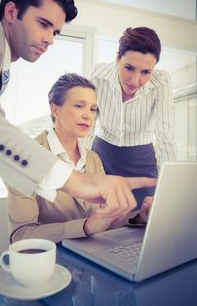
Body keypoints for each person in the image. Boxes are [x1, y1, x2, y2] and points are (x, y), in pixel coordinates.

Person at [0, 0, 155, 218]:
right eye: (43, 24)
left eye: (55, 31)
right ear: (11, 12)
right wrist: (74, 181)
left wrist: (137, 217)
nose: (50, 40)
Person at [8, 73, 153, 243]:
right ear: (55, 110)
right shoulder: (26, 156)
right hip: (51, 261)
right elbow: (21, 235)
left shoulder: (93, 159)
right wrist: (86, 226)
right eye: (79, 106)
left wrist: (139, 218)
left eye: (92, 109)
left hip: (91, 256)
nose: (88, 116)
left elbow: (104, 220)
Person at [85, 27, 176, 209]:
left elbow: (165, 135)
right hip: (102, 157)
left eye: (146, 72)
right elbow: (87, 127)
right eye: (129, 68)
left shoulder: (161, 82)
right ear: (118, 58)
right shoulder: (98, 76)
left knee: (145, 218)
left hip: (141, 161)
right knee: (102, 219)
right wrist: (83, 169)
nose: (135, 80)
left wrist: (171, 186)